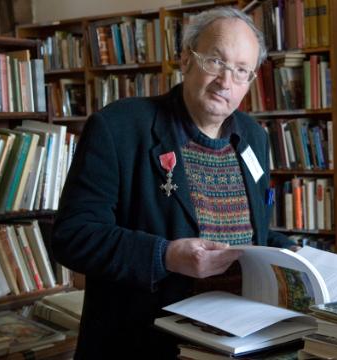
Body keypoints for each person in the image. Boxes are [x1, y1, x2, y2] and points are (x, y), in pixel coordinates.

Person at [52, 7, 296, 358]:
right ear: (185, 59)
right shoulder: (119, 128)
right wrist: (164, 256)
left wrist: (289, 252)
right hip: (145, 344)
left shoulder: (254, 137)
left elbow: (254, 231)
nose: (226, 82)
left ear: (251, 80)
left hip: (239, 343)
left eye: (241, 71)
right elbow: (73, 236)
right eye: (215, 61)